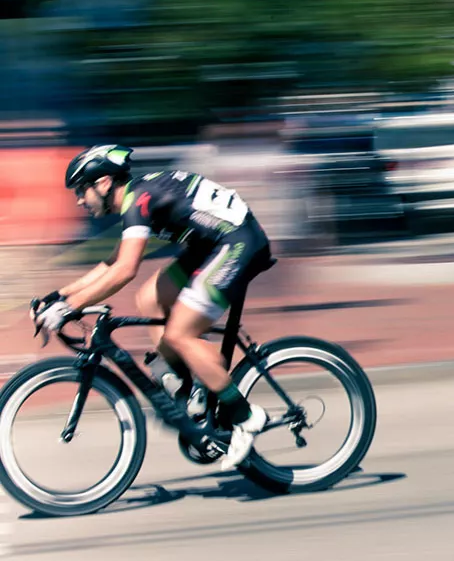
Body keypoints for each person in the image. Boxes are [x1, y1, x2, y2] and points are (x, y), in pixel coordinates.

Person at [30, 144, 273, 469]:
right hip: (211, 244)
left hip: (237, 242)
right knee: (150, 299)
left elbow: (125, 270)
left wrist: (70, 306)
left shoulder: (138, 199)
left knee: (179, 334)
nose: (79, 200)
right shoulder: (137, 197)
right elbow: (113, 262)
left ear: (103, 183)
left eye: (81, 190)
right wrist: (61, 296)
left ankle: (246, 417)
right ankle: (193, 386)